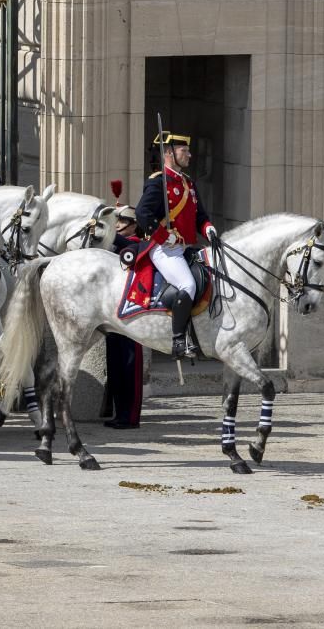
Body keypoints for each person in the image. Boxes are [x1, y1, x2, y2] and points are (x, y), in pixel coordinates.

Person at [136, 131, 220, 358]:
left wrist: (208, 228)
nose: (190, 155)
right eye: (185, 151)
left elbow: (200, 217)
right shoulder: (158, 182)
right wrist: (164, 236)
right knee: (188, 285)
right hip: (164, 249)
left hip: (185, 248)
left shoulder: (188, 183)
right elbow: (142, 214)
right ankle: (178, 341)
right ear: (169, 154)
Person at [103, 206, 144, 429]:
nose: (118, 224)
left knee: (130, 367)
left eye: (123, 221)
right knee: (115, 367)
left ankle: (131, 416)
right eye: (116, 221)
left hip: (132, 312)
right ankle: (119, 412)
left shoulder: (137, 242)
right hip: (113, 312)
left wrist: (108, 231)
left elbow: (125, 246)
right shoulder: (116, 242)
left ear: (134, 224)